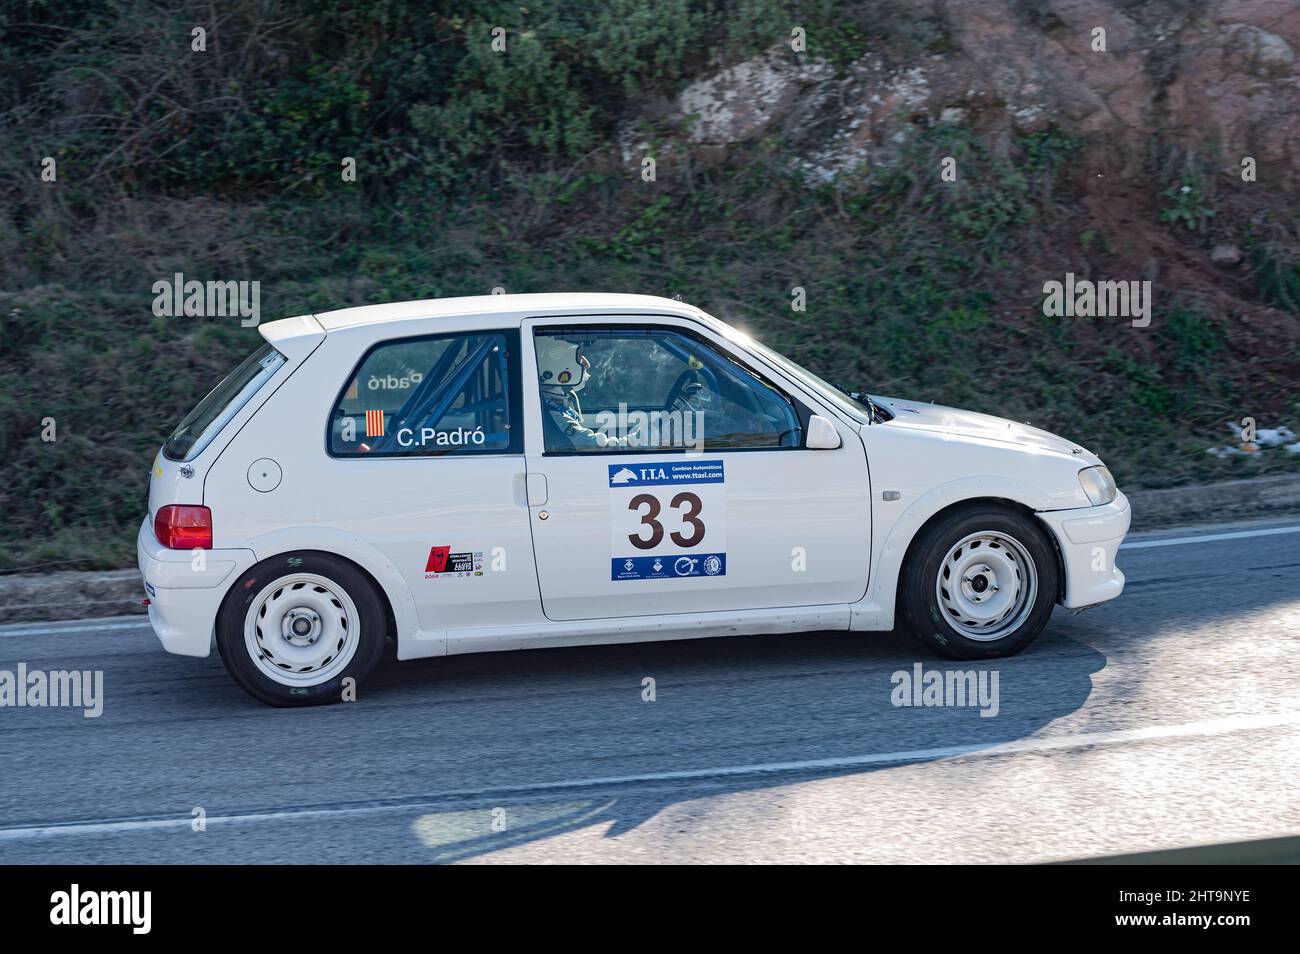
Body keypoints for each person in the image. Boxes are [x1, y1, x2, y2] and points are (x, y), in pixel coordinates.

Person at [537, 336, 634, 449]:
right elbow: (593, 445)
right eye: (578, 357)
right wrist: (636, 441)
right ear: (559, 365)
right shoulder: (550, 410)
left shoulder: (562, 400)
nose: (586, 364)